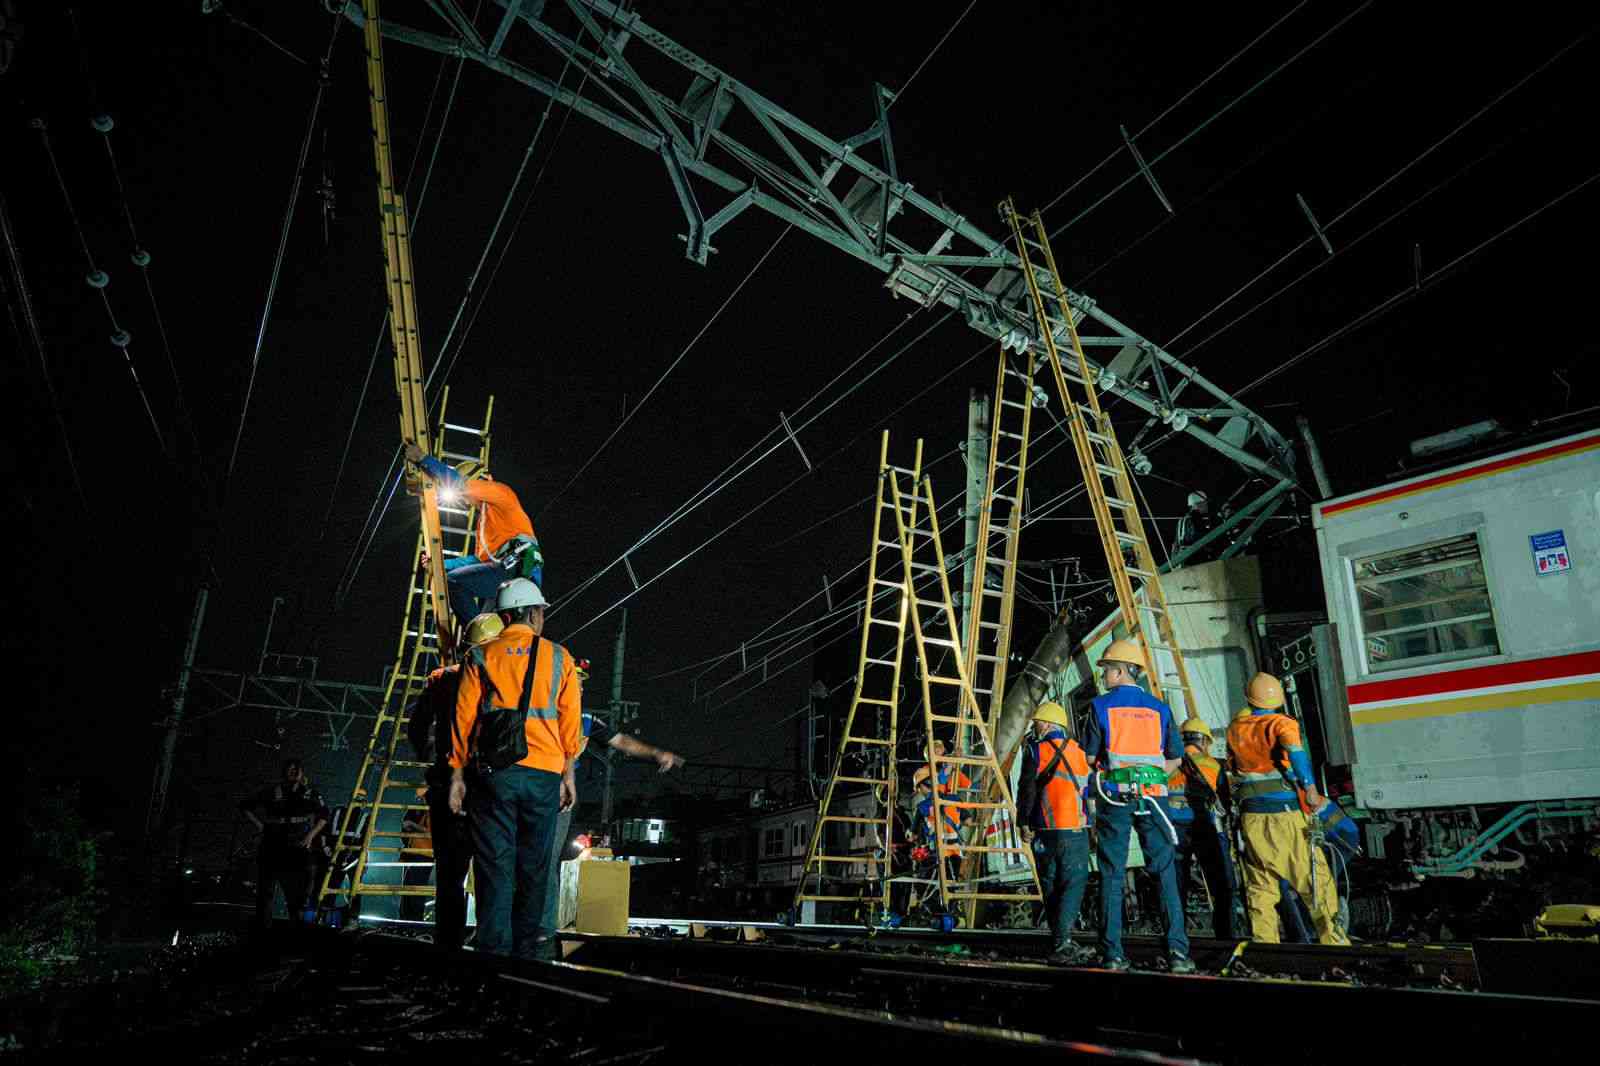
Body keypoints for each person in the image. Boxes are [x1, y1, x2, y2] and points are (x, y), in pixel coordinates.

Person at [448, 579, 580, 960]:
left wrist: (457, 774)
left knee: (495, 864)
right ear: (535, 614)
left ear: (504, 617)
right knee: (536, 867)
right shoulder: (560, 657)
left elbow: (463, 720)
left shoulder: (482, 656)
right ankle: (531, 952)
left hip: (495, 774)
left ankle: (493, 951)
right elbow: (570, 722)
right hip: (543, 774)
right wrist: (567, 773)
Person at [541, 657, 685, 936]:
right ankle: (535, 929)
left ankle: (539, 927)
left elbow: (621, 741)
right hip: (542, 790)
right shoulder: (541, 713)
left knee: (545, 862)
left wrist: (656, 753)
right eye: (575, 682)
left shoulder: (584, 721)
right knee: (534, 860)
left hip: (558, 798)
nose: (579, 689)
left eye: (581, 684)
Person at [1082, 639, 1193, 973]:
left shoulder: (1100, 707)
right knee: (1164, 871)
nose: (1103, 677)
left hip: (1115, 797)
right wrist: (1153, 775)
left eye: (1106, 670)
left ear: (1119, 670)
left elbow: (1089, 757)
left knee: (1112, 873)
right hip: (1155, 797)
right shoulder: (1159, 707)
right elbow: (1175, 756)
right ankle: (1177, 954)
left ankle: (1113, 954)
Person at [401, 612, 504, 945]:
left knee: (450, 876)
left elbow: (416, 728)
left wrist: (432, 757)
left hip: (448, 785)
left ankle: (449, 946)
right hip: (494, 790)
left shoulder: (439, 679)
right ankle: (491, 944)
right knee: (494, 873)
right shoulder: (508, 678)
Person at [1225, 672, 1348, 945]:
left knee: (1260, 887)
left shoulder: (1236, 728)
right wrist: (1310, 787)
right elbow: (1296, 753)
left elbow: (1232, 770)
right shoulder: (1281, 723)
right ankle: (1336, 945)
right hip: (1285, 815)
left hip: (1251, 818)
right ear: (1278, 700)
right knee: (1316, 881)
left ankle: (1266, 948)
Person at [404, 442, 544, 627]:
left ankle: (477, 638)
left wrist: (423, 459)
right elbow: (479, 561)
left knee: (454, 583)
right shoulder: (485, 521)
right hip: (508, 571)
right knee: (494, 630)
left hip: (518, 568)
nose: (465, 500)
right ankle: (481, 644)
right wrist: (440, 564)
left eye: (466, 494)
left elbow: (460, 484)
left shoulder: (500, 492)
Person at [1015, 701, 1093, 963]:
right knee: (1073, 883)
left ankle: (1060, 940)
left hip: (1045, 829)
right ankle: (1063, 941)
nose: (1035, 726)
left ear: (1047, 724)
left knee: (1050, 884)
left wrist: (1023, 822)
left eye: (1037, 721)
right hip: (1075, 828)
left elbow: (1026, 789)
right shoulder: (1080, 751)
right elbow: (1089, 791)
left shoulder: (1036, 751)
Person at [1166, 716, 1236, 939]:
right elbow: (1225, 804)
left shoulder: (1167, 765)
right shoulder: (1214, 765)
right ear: (1204, 741)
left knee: (1176, 888)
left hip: (1173, 828)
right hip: (1203, 825)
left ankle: (1178, 939)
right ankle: (1226, 936)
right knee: (1222, 885)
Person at [239, 758, 328, 931]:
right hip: (272, 847)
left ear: (302, 773)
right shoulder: (271, 792)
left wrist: (310, 836)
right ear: (284, 772)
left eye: (297, 769)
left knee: (296, 893)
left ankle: (295, 933)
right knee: (265, 892)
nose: (294, 771)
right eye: (290, 768)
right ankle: (263, 932)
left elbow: (324, 814)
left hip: (296, 849)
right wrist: (260, 826)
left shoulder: (310, 793)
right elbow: (245, 806)